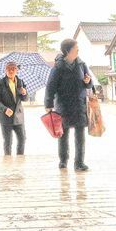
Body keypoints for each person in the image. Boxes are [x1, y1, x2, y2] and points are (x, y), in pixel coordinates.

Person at [45, 38, 94, 171]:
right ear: (68, 51)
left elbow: (90, 83)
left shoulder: (81, 64)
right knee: (63, 135)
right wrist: (48, 104)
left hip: (79, 105)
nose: (78, 50)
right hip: (63, 105)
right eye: (75, 48)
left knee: (80, 136)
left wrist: (87, 81)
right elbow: (50, 87)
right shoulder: (58, 67)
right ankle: (63, 160)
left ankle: (79, 162)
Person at [0, 61, 28, 156]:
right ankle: (8, 163)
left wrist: (24, 93)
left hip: (18, 117)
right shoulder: (0, 83)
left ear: (16, 70)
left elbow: (25, 99)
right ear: (5, 70)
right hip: (6, 118)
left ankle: (20, 160)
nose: (11, 70)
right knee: (8, 142)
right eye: (8, 69)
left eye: (13, 68)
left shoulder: (20, 82)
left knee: (22, 139)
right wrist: (5, 109)